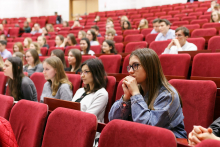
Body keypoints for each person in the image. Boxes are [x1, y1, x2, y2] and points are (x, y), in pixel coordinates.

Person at [108, 48, 187, 138]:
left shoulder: (168, 95)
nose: (130, 71)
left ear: (150, 67)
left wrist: (135, 95)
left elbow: (147, 127)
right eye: (130, 66)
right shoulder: (136, 89)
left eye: (135, 65)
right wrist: (126, 98)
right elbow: (113, 120)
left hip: (170, 142)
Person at [72, 58, 108, 142]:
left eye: (86, 72)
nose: (82, 75)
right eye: (81, 72)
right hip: (73, 126)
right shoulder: (80, 90)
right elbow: (70, 108)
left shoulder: (102, 94)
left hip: (87, 132)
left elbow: (87, 117)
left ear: (96, 73)